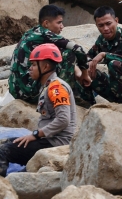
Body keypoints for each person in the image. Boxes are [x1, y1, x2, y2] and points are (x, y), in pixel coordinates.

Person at [0, 44, 77, 177]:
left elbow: (63, 120)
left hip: (55, 142)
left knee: (4, 151)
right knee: (10, 142)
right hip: (50, 139)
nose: (30, 68)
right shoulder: (49, 86)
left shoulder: (56, 88)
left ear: (45, 67)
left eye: (34, 65)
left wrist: (35, 134)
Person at [8, 5, 90, 103]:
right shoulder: (45, 34)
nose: (62, 26)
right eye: (59, 22)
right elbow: (79, 49)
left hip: (15, 90)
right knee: (68, 54)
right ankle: (64, 94)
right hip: (29, 91)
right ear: (46, 23)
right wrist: (85, 74)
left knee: (59, 53)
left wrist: (76, 70)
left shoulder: (32, 32)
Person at [84, 6, 122, 106]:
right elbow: (88, 56)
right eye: (101, 25)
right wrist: (88, 63)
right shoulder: (102, 40)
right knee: (85, 68)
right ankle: (88, 104)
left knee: (115, 64)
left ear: (116, 21)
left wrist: (105, 55)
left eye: (108, 23)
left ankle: (121, 106)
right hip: (117, 89)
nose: (105, 28)